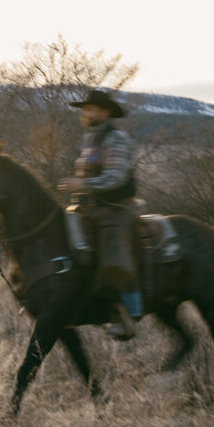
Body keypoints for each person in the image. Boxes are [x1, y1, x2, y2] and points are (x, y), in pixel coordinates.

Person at [58, 88, 143, 340]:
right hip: (90, 209)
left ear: (105, 112)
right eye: (84, 109)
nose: (85, 113)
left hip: (116, 210)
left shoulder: (117, 139)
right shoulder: (91, 139)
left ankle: (129, 311)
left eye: (90, 109)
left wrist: (82, 185)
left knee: (113, 255)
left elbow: (116, 177)